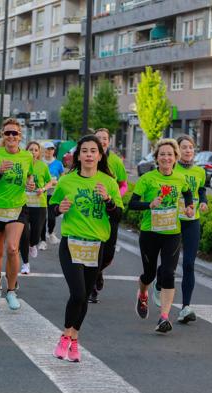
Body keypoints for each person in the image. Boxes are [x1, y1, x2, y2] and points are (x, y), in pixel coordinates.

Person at [50, 135, 123, 362]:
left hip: (95, 246)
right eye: (85, 151)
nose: (89, 155)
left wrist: (109, 200)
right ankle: (64, 336)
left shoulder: (108, 182)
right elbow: (52, 206)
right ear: (78, 155)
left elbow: (118, 215)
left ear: (100, 156)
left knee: (84, 297)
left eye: (94, 151)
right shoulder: (67, 181)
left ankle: (74, 339)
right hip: (71, 243)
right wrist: (58, 209)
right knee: (78, 293)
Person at [129, 139, 193, 333]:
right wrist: (149, 204)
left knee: (168, 273)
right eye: (162, 154)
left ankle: (164, 317)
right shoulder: (147, 179)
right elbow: (132, 204)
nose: (166, 158)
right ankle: (142, 293)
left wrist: (189, 207)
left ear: (175, 158)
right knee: (148, 274)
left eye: (170, 154)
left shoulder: (180, 179)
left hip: (172, 233)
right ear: (156, 158)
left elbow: (188, 194)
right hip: (150, 233)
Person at [0, 118, 35, 310]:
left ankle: (11, 291)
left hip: (18, 207)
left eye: (15, 133)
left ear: (20, 136)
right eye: (8, 133)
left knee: (12, 248)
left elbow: (30, 176)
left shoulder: (27, 157)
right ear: (3, 135)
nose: (11, 136)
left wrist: (31, 183)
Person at [168, 135, 208, 323]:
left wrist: (204, 202)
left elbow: (200, 190)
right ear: (177, 150)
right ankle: (160, 284)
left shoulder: (200, 171)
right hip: (173, 220)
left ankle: (185, 307)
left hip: (192, 221)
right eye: (184, 147)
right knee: (168, 264)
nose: (188, 151)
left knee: (189, 264)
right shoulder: (171, 169)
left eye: (191, 147)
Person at [89, 128, 129, 303]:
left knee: (108, 253)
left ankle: (98, 271)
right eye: (99, 138)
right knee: (94, 250)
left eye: (105, 138)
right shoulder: (88, 158)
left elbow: (124, 184)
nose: (102, 141)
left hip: (111, 209)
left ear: (109, 141)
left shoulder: (116, 161)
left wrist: (114, 196)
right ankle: (91, 288)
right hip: (92, 212)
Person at [20, 141, 53, 274]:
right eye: (30, 149)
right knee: (24, 234)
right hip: (23, 205)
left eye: (35, 150)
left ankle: (33, 244)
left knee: (35, 235)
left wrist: (43, 189)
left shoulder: (43, 166)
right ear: (26, 151)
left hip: (39, 205)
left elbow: (50, 181)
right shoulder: (22, 165)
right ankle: (26, 264)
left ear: (39, 153)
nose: (33, 152)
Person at [41, 141, 64, 248]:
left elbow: (63, 178)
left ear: (54, 151)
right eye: (47, 149)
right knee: (42, 217)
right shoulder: (40, 163)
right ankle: (42, 241)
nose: (49, 151)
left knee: (51, 217)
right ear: (43, 150)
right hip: (41, 193)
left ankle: (50, 232)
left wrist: (57, 182)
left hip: (53, 194)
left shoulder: (58, 164)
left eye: (51, 149)